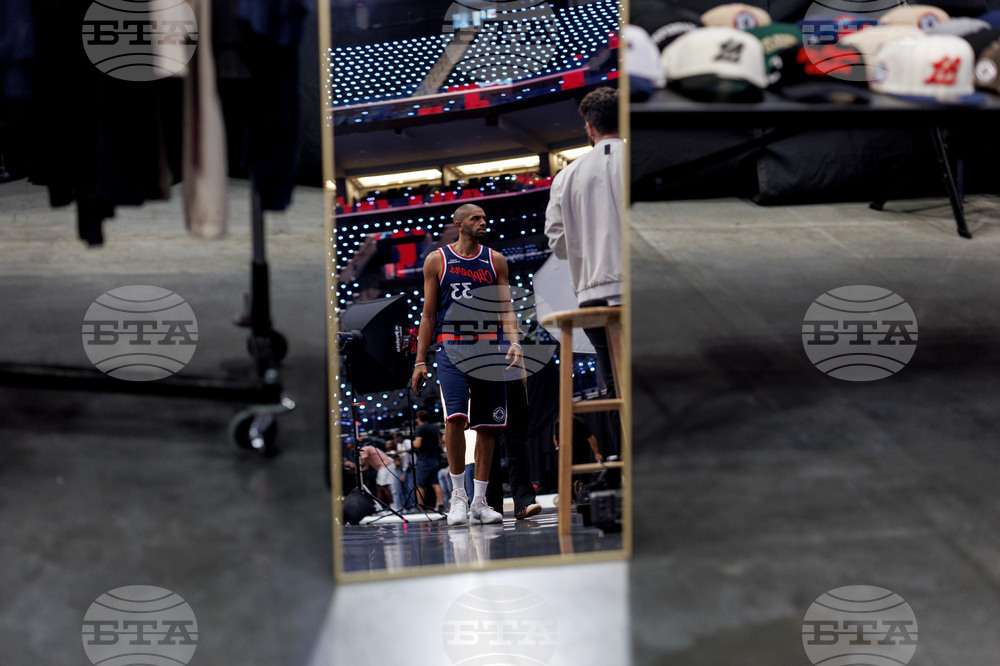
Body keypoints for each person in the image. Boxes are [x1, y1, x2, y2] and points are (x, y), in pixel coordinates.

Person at [411, 203, 523, 526]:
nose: (483, 222)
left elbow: (506, 310)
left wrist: (514, 341)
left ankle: (479, 500)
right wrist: (420, 360)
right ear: (459, 224)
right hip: (451, 346)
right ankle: (457, 496)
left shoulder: (495, 260)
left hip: (489, 346)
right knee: (455, 419)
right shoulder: (437, 260)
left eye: (485, 218)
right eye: (476, 218)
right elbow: (429, 314)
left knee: (488, 426)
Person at [543, 86, 623, 399]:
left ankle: (622, 450)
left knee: (616, 386)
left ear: (589, 128)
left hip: (594, 296)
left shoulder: (566, 177)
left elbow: (558, 243)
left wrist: (585, 247)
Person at [412, 409, 444, 511]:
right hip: (434, 458)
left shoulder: (420, 429)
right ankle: (441, 505)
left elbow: (417, 444)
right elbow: (440, 442)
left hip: (424, 459)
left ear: (419, 419)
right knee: (435, 483)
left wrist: (412, 442)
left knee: (420, 484)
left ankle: (421, 506)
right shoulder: (434, 428)